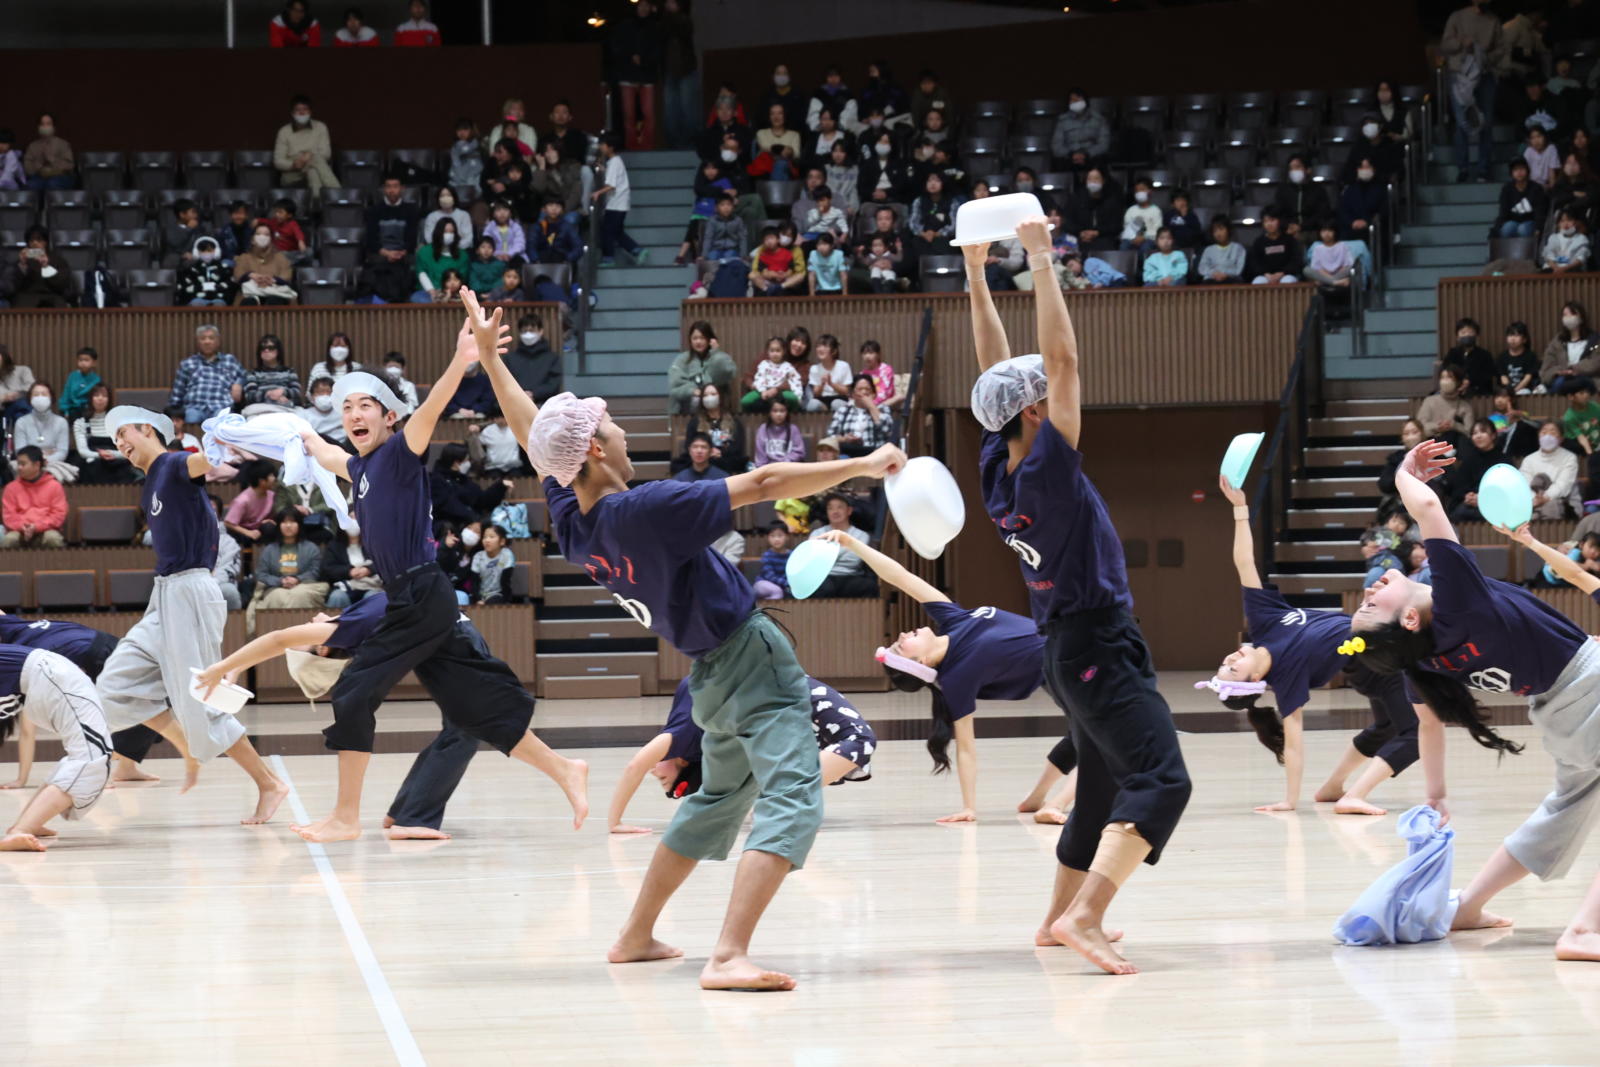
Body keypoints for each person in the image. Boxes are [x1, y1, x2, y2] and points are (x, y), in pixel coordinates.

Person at [470, 284, 905, 990]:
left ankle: (636, 934)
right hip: (752, 661)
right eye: (606, 429)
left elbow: (534, 438)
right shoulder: (651, 508)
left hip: (709, 678)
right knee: (795, 795)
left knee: (715, 803)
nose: (617, 432)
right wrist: (860, 465)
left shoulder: (577, 522)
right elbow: (764, 479)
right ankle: (728, 953)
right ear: (595, 456)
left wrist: (492, 362)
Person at [962, 220, 1191, 976]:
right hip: (1096, 643)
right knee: (1163, 777)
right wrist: (1036, 257)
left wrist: (974, 270)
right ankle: (1086, 916)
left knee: (1098, 788)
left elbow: (998, 368)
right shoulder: (1050, 474)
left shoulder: (1000, 468)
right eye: (1041, 396)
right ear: (1035, 412)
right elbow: (1061, 358)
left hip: (1065, 650)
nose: (1047, 391)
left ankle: (1057, 916)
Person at [285, 316, 589, 842]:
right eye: (347, 407)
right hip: (420, 599)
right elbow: (326, 451)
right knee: (472, 704)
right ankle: (565, 770)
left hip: (420, 593)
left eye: (366, 406)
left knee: (354, 694)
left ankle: (345, 818)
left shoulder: (402, 455)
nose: (354, 414)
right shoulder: (359, 470)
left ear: (390, 417)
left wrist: (461, 361)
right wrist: (296, 432)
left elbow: (429, 410)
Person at [1346, 441, 1600, 962]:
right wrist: (1404, 473)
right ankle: (1583, 929)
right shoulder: (1456, 602)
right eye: (1373, 604)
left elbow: (1429, 726)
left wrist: (1436, 794)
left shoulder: (1427, 661)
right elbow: (1429, 508)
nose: (1371, 588)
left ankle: (1469, 906)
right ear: (1409, 620)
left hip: (1558, 712)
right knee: (1562, 811)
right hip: (1587, 687)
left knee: (1561, 812)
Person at [94, 406, 288, 821]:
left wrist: (218, 444)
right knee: (114, 686)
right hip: (163, 595)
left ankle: (269, 784)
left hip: (192, 590)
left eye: (124, 433)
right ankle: (189, 745)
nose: (121, 444)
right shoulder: (149, 484)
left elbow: (205, 462)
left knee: (204, 697)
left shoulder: (174, 463)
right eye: (114, 442)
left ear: (148, 429)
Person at [196, 593, 509, 841]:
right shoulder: (346, 629)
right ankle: (412, 817)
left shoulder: (349, 623)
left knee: (460, 729)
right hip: (457, 638)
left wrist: (234, 667)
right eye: (309, 639)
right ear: (322, 650)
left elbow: (282, 644)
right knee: (464, 730)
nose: (309, 623)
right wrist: (227, 668)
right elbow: (280, 639)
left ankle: (406, 812)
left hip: (446, 636)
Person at [824, 526, 1077, 824]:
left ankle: (1036, 798)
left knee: (1082, 735)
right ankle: (1056, 805)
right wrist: (969, 807)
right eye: (902, 645)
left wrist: (852, 543)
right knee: (1099, 738)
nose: (904, 634)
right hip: (1065, 663)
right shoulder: (957, 677)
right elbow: (967, 748)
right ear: (924, 661)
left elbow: (901, 577)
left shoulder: (953, 620)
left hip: (1067, 647)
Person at [1206, 475, 1417, 814]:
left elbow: (1243, 563)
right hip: (1374, 655)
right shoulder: (1285, 678)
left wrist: (1241, 509)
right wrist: (1289, 801)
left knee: (1387, 725)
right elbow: (1294, 744)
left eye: (1225, 662)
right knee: (1413, 733)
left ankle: (1333, 788)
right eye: (1233, 668)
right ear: (1251, 682)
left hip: (1366, 660)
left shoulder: (1264, 623)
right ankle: (1354, 796)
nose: (1231, 657)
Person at [608, 674, 877, 834]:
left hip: (784, 689)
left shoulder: (678, 736)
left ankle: (785, 807)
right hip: (782, 696)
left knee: (859, 741)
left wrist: (614, 822)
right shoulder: (707, 739)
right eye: (659, 777)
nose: (654, 770)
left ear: (680, 760)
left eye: (657, 774)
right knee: (855, 743)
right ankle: (784, 807)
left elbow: (634, 767)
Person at [0, 645, 117, 852]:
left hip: (51, 675)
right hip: (53, 675)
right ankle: (22, 828)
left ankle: (27, 825)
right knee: (91, 758)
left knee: (90, 756)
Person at [1441, 0, 1504, 184]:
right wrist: (1461, 42)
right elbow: (1445, 45)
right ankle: (1463, 168)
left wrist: (1484, 56)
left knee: (1487, 121)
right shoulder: (1457, 16)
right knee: (1463, 123)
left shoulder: (1493, 20)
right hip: (1461, 76)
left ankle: (1484, 169)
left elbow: (1501, 48)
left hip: (1484, 75)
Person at [608, 0, 662, 150]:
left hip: (647, 76)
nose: (644, 8)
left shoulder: (654, 27)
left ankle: (647, 147)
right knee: (629, 116)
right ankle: (632, 147)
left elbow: (658, 52)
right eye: (641, 5)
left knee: (649, 115)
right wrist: (631, 57)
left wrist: (644, 60)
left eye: (647, 5)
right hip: (627, 74)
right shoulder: (624, 26)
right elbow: (616, 48)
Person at [594, 135, 646, 267]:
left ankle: (608, 258)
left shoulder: (614, 162)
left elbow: (611, 185)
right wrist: (604, 170)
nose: (601, 147)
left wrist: (597, 193)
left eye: (603, 145)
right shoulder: (615, 162)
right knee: (616, 231)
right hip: (619, 203)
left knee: (607, 230)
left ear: (610, 147)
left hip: (616, 204)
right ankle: (637, 250)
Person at [429, 441, 509, 527]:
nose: (469, 463)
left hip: (470, 524)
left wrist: (500, 486)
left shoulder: (462, 479)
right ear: (456, 463)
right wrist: (474, 519)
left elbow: (482, 500)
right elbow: (450, 506)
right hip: (450, 527)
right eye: (466, 460)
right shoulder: (437, 481)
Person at [273, 95, 336, 200]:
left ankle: (316, 203)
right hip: (293, 174)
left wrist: (310, 156)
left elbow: (326, 153)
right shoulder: (284, 131)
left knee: (313, 170)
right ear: (292, 113)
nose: (302, 113)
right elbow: (278, 161)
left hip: (318, 170)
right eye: (298, 110)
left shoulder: (321, 127)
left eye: (305, 109)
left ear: (310, 112)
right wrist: (294, 164)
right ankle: (336, 192)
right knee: (315, 162)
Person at [0, 447, 65, 548]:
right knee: (9, 540)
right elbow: (9, 517)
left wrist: (37, 527)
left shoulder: (54, 486)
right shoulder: (11, 488)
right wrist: (23, 527)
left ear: (37, 465)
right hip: (19, 530)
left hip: (46, 530)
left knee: (53, 538)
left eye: (23, 464)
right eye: (18, 464)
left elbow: (58, 515)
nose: (19, 468)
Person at [0, 226, 79, 308]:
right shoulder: (21, 261)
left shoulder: (58, 261)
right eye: (31, 240)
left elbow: (62, 284)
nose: (35, 243)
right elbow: (12, 286)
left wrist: (46, 266)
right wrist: (22, 265)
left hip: (52, 297)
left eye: (39, 240)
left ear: (46, 242)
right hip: (26, 298)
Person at [668, 322, 736, 415]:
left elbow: (727, 373)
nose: (698, 342)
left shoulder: (719, 356)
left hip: (715, 406)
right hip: (688, 409)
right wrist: (693, 391)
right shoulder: (682, 359)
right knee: (695, 399)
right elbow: (674, 387)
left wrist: (716, 353)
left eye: (702, 338)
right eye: (695, 338)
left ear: (710, 339)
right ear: (690, 340)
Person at [14, 382, 75, 482]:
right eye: (36, 394)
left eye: (44, 394)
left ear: (51, 397)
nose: (40, 397)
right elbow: (20, 450)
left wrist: (42, 460)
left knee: (54, 472)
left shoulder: (61, 422)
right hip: (28, 463)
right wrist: (42, 455)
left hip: (53, 463)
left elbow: (62, 451)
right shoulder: (21, 422)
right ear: (30, 398)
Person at [1444, 418, 1503, 521]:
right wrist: (1467, 496)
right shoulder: (1469, 460)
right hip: (1469, 505)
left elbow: (1505, 488)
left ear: (1493, 435)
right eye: (1474, 433)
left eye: (1483, 432)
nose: (1478, 436)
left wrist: (1483, 498)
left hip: (1494, 504)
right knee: (1458, 513)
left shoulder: (1503, 460)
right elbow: (1458, 487)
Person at [825, 374, 895, 458]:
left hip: (875, 455)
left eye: (867, 389)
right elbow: (830, 437)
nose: (864, 392)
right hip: (848, 455)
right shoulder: (843, 411)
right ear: (853, 394)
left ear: (873, 393)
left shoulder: (882, 409)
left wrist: (871, 406)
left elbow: (887, 430)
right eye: (860, 389)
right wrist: (845, 439)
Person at [1523, 420, 1581, 519]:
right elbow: (1524, 483)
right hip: (1533, 502)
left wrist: (1545, 498)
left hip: (1564, 502)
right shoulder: (1529, 460)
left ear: (1561, 438)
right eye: (1544, 432)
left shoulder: (1569, 457)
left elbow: (1563, 485)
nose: (1547, 436)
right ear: (1539, 436)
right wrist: (1534, 499)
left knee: (1551, 507)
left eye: (1553, 433)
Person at [232, 221, 296, 306]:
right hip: (249, 294)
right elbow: (237, 276)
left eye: (266, 235)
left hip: (276, 293)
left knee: (275, 301)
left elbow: (287, 276)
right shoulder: (244, 258)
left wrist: (272, 279)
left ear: (271, 239)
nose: (262, 237)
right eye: (258, 234)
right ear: (252, 239)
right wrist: (251, 275)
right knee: (249, 303)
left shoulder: (281, 258)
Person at [1542, 301, 1600, 390]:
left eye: (1572, 314)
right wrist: (1560, 372)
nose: (1568, 317)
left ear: (1581, 317)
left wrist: (1573, 369)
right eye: (1565, 315)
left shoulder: (1595, 340)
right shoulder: (1557, 342)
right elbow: (1546, 369)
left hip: (1588, 380)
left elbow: (1596, 362)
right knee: (1560, 384)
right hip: (1562, 380)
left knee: (1580, 383)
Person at [1050, 89, 1111, 171]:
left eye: (1078, 99)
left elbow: (1104, 144)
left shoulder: (1099, 119)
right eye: (1072, 100)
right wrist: (1071, 155)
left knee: (1101, 161)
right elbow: (1056, 146)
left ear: (1085, 100)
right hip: (1069, 159)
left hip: (1092, 158)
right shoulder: (1062, 121)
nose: (1075, 102)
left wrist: (1086, 154)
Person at [1438, 317, 1496, 397]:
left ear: (1476, 335)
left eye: (1470, 332)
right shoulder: (1452, 353)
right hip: (1454, 389)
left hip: (1479, 393)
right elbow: (1446, 369)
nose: (1467, 335)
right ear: (1457, 337)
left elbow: (1488, 375)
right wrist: (1459, 382)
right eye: (1463, 332)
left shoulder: (1484, 355)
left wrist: (1470, 381)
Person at [224, 462, 280, 546]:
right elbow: (228, 523)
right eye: (271, 476)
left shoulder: (271, 495)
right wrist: (248, 532)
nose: (274, 479)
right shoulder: (243, 500)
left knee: (270, 527)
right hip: (243, 531)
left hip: (259, 528)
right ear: (262, 481)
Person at [742, 337, 803, 413]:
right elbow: (759, 379)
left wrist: (799, 397)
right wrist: (763, 391)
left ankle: (790, 416)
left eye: (778, 351)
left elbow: (796, 382)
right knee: (745, 401)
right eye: (772, 351)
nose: (775, 353)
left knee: (793, 398)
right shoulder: (764, 364)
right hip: (764, 390)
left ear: (783, 352)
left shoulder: (788, 366)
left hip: (781, 392)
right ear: (768, 352)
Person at [1496, 158, 1549, 238]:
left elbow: (1540, 212)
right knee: (1507, 229)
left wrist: (1539, 228)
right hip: (1512, 221)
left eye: (1522, 168)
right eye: (1516, 170)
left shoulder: (1536, 188)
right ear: (1511, 173)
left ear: (1527, 170)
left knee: (1523, 229)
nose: (1519, 172)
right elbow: (1503, 211)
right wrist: (1497, 228)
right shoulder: (1507, 189)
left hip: (1531, 221)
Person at [1337, 161, 1387, 242]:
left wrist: (1367, 221)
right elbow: (1342, 210)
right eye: (1362, 167)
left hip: (1373, 229)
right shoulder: (1349, 190)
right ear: (1357, 169)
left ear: (1373, 169)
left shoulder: (1381, 190)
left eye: (1368, 167)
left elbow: (1384, 211)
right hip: (1351, 229)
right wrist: (1352, 222)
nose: (1365, 170)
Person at [22, 114, 73, 192]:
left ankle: (53, 204)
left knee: (52, 183)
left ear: (54, 126)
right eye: (42, 124)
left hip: (59, 177)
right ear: (38, 126)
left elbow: (69, 165)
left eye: (48, 124)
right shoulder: (32, 146)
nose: (45, 127)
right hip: (39, 177)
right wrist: (38, 165)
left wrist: (52, 160)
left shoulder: (63, 144)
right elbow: (27, 167)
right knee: (30, 185)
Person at [806, 333, 853, 413]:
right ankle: (826, 409)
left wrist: (831, 384)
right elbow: (816, 394)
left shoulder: (844, 366)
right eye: (818, 346)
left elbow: (846, 391)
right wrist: (822, 384)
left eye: (825, 346)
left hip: (840, 398)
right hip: (822, 399)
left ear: (834, 351)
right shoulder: (814, 368)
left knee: (836, 404)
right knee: (812, 405)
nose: (820, 349)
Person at [469, 524, 515, 604]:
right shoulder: (478, 556)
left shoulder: (507, 555)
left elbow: (505, 581)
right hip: (480, 596)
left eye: (491, 537)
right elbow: (474, 582)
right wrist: (478, 599)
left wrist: (506, 600)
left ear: (502, 541)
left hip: (499, 595)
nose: (487, 540)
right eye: (485, 537)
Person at [753, 397, 805, 467]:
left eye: (782, 411)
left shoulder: (793, 429)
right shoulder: (763, 429)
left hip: (788, 467)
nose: (779, 414)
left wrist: (783, 463)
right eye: (775, 411)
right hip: (768, 469)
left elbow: (799, 452)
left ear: (787, 412)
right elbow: (760, 456)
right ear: (769, 413)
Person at [1198, 217, 1246, 284]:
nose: (1218, 234)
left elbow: (1239, 269)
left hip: (1231, 278)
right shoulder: (1208, 250)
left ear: (1228, 230)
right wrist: (1214, 273)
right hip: (1212, 279)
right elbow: (1202, 268)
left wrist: (1226, 274)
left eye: (1221, 229)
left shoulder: (1238, 248)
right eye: (1215, 231)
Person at [1542, 208, 1590, 273]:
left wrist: (1564, 269)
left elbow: (1581, 258)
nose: (1565, 224)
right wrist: (1556, 268)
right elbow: (1548, 255)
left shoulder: (1582, 239)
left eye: (1569, 220)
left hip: (1573, 270)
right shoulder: (1553, 237)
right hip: (1552, 270)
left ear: (1576, 222)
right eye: (1562, 221)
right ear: (1558, 224)